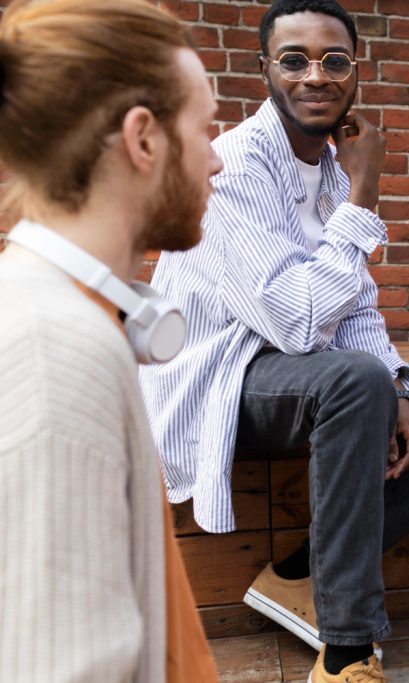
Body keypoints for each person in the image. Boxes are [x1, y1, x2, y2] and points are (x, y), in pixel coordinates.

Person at [137, 0, 409, 680]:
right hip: (219, 376)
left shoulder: (334, 170)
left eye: (334, 60)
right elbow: (297, 320)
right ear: (265, 71)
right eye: (295, 60)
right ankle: (346, 648)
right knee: (354, 380)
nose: (316, 76)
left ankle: (301, 570)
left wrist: (394, 387)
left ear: (355, 72)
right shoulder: (238, 170)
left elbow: (356, 307)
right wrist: (365, 191)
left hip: (303, 372)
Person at [0, 1, 223, 681]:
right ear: (144, 139)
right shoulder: (56, 352)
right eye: (205, 126)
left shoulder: (68, 314)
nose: (216, 160)